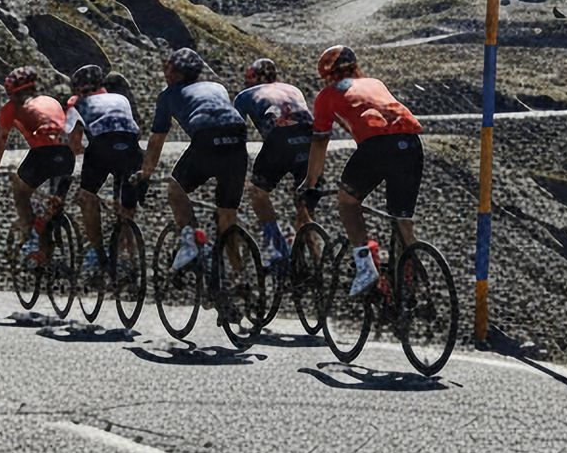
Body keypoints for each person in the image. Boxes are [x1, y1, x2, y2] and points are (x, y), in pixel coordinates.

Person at [301, 44, 423, 298]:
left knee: (347, 201)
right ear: (356, 66)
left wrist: (311, 183)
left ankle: (365, 264)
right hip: (411, 143)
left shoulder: (326, 96)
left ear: (327, 76)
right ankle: (413, 282)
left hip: (377, 147)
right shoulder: (375, 83)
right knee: (401, 218)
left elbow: (320, 141)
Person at [138, 47, 249, 273]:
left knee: (175, 190)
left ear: (177, 74)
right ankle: (240, 277)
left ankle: (190, 245)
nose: (164, 73)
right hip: (238, 137)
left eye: (167, 69)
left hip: (206, 137)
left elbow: (156, 141)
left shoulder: (167, 95)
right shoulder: (217, 87)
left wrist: (145, 176)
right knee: (227, 212)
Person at [232, 57, 315, 270]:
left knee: (257, 191)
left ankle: (275, 243)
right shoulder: (293, 89)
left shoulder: (244, 96)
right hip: (310, 142)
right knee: (303, 202)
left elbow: (237, 135)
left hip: (279, 141)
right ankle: (315, 262)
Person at [0, 66, 72, 264]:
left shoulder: (10, 108)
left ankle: (30, 232)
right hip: (66, 156)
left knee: (20, 190)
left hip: (41, 156)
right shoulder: (51, 101)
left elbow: (1, 143)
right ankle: (50, 245)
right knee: (54, 204)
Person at [63, 63, 142, 278]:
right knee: (126, 209)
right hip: (131, 147)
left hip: (102, 145)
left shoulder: (78, 105)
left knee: (86, 197)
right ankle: (130, 258)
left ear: (78, 90)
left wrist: (77, 151)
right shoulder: (121, 99)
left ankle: (100, 257)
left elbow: (74, 144)